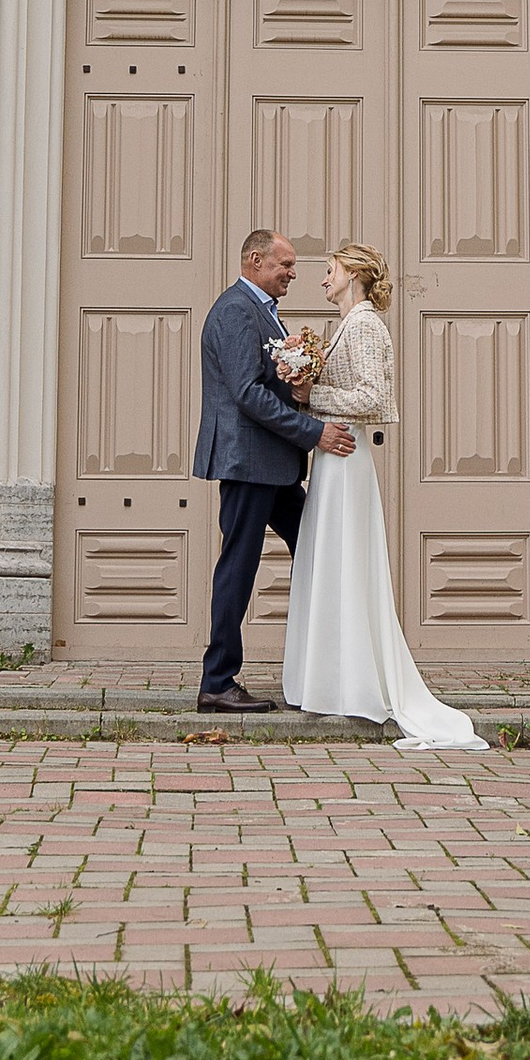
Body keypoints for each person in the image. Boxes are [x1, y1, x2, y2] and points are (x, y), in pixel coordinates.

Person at [280, 241, 486, 752]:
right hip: (331, 456)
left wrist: (311, 397)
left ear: (352, 273)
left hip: (347, 456)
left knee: (346, 563)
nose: (322, 279)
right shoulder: (348, 324)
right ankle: (328, 679)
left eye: (328, 271)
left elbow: (375, 398)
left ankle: (352, 682)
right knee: (329, 562)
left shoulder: (367, 325)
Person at [193, 227, 353, 716]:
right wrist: (313, 432)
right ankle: (217, 681)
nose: (293, 273)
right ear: (255, 260)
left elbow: (271, 384)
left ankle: (336, 666)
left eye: (294, 266)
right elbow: (247, 393)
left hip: (273, 465)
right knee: (238, 567)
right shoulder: (236, 311)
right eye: (284, 265)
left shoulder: (263, 313)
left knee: (322, 547)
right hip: (248, 462)